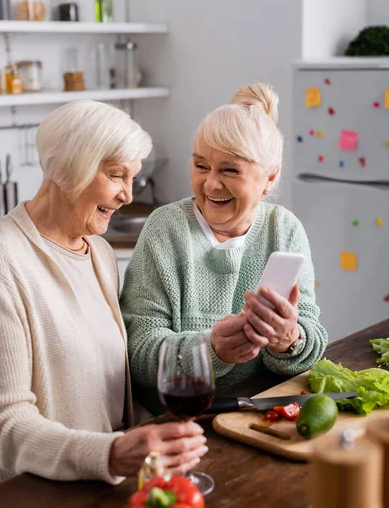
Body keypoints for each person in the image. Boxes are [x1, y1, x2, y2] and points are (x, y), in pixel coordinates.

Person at [0, 100, 207, 487]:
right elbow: (2, 425)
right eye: (115, 175)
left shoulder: (100, 253)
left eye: (132, 177)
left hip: (107, 487)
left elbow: (108, 396)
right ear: (66, 168)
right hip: (35, 501)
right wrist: (110, 454)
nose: (127, 194)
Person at [121, 83, 328, 415]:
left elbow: (311, 342)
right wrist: (211, 350)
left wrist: (288, 340)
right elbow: (139, 352)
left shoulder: (284, 229)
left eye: (230, 169)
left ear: (270, 178)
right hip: (177, 417)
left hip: (256, 415)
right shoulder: (166, 229)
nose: (211, 184)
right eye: (201, 166)